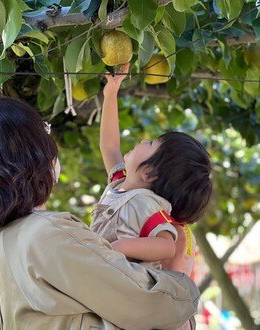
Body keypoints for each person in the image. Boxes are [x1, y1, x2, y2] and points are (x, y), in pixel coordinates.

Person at [0, 97, 199, 330]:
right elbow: (150, 304)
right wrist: (178, 276)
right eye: (43, 132)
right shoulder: (48, 234)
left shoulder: (5, 237)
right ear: (25, 155)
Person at [91, 63, 212, 273]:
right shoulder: (120, 182)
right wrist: (111, 93)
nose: (144, 140)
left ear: (149, 173)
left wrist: (118, 247)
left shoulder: (147, 204)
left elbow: (166, 246)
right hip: (102, 274)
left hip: (124, 285)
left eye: (151, 144)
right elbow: (110, 146)